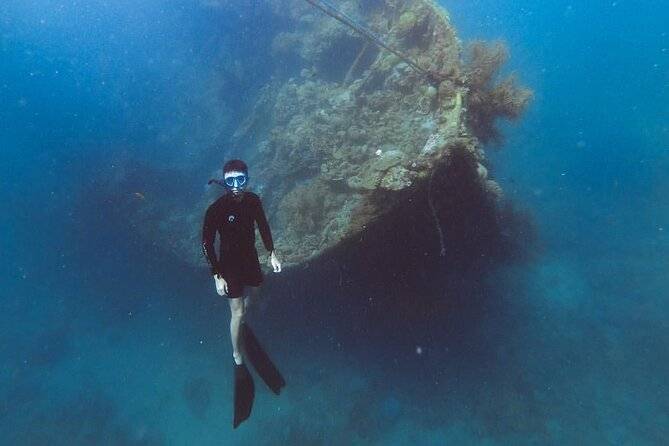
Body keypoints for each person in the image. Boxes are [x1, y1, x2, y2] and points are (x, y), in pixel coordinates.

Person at [201, 159, 284, 428]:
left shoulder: (254, 201)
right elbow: (206, 243)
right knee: (237, 312)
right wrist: (216, 275)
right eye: (231, 181)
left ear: (247, 178)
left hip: (250, 260)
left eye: (241, 180)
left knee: (257, 292)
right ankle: (237, 358)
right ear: (225, 182)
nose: (236, 186)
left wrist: (272, 253)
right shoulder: (216, 209)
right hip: (229, 268)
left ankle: (245, 320)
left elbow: (263, 227)